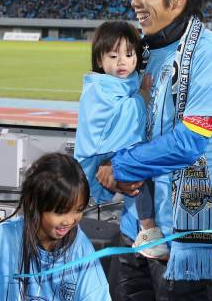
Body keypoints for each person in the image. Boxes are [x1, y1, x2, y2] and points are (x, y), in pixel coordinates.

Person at [93, 0, 212, 300]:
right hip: (134, 229)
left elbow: (191, 140)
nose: (135, 2)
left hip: (182, 239)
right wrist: (104, 162)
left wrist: (121, 165)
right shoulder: (136, 53)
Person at [0, 152, 110, 301]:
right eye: (60, 212)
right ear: (35, 204)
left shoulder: (80, 248)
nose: (69, 221)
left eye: (78, 210)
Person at [74, 21, 168, 259]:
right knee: (137, 174)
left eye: (129, 54)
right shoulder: (98, 87)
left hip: (122, 151)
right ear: (99, 60)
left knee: (138, 177)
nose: (122, 61)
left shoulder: (133, 79)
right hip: (105, 152)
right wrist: (143, 96)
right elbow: (108, 120)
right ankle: (148, 230)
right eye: (113, 55)